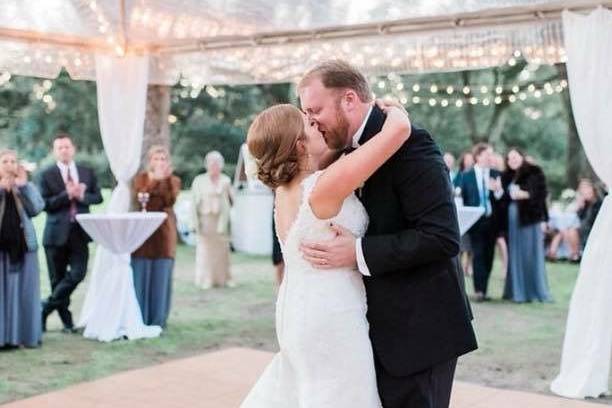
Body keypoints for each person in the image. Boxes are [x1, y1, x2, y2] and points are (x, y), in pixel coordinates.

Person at [246, 60, 476, 408]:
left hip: (416, 325)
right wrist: (398, 119)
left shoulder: (411, 145)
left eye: (314, 111)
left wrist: (358, 252)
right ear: (296, 145)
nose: (313, 121)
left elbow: (442, 237)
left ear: (350, 99)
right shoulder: (327, 170)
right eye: (306, 117)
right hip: (342, 319)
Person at [40, 134, 102, 333]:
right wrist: (67, 194)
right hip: (55, 234)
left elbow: (98, 197)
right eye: (60, 148)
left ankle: (45, 308)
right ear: (55, 151)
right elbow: (45, 205)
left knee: (78, 273)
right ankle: (67, 324)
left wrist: (81, 195)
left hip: (80, 233)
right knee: (57, 281)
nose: (64, 150)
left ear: (73, 148)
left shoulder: (86, 172)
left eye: (67, 146)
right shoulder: (46, 175)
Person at [131, 145, 181, 327]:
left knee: (161, 276)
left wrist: (163, 180)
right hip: (142, 234)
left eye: (163, 159)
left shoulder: (173, 181)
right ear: (149, 161)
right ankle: (140, 318)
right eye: (156, 158)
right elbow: (141, 198)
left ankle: (158, 320)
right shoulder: (140, 179)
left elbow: (169, 200)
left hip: (163, 233)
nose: (160, 162)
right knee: (141, 274)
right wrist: (155, 181)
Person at [0, 150, 45, 349]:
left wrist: (24, 187)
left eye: (13, 161)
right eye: (5, 161)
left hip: (25, 247)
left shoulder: (25, 186)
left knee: (25, 294)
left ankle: (25, 336)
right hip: (2, 250)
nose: (10, 165)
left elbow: (37, 209)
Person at [502, 148, 552, 303]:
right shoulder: (506, 175)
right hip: (512, 221)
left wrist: (526, 195)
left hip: (529, 220)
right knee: (515, 254)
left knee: (530, 254)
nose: (512, 161)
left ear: (521, 156)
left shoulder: (534, 171)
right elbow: (503, 197)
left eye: (515, 157)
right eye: (509, 159)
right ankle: (516, 291)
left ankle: (532, 291)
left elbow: (541, 194)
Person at [458, 143, 504, 302]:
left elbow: (501, 199)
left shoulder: (496, 174)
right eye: (487, 154)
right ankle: (479, 291)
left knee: (489, 256)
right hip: (475, 221)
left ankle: (484, 289)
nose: (490, 157)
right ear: (478, 156)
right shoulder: (466, 175)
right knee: (478, 254)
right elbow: (461, 198)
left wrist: (497, 190)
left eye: (491, 155)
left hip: (492, 221)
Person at [191, 151, 234, 289]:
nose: (214, 166)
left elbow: (233, 201)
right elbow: (193, 203)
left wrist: (229, 194)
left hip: (221, 221)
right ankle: (206, 279)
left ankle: (223, 279)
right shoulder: (199, 180)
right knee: (205, 251)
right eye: (211, 163)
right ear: (207, 165)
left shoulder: (226, 180)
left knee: (222, 251)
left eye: (217, 163)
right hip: (205, 220)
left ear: (221, 165)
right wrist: (193, 223)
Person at [454, 151, 475, 277]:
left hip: (470, 210)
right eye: (466, 159)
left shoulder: (473, 175)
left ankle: (468, 266)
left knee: (471, 244)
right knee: (461, 240)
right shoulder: (460, 174)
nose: (469, 161)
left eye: (470, 159)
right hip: (460, 209)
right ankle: (460, 266)